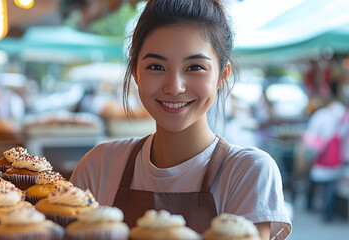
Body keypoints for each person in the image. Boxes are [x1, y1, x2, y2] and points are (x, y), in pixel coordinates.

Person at [69, 1, 292, 239]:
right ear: (135, 72)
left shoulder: (247, 172)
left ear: (222, 76)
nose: (174, 87)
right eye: (156, 66)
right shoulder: (97, 166)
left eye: (195, 67)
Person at [302, 80, 349, 222]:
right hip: (335, 156)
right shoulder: (341, 114)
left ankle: (320, 209)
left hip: (324, 155)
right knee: (330, 185)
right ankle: (327, 212)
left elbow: (312, 136)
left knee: (322, 184)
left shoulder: (322, 115)